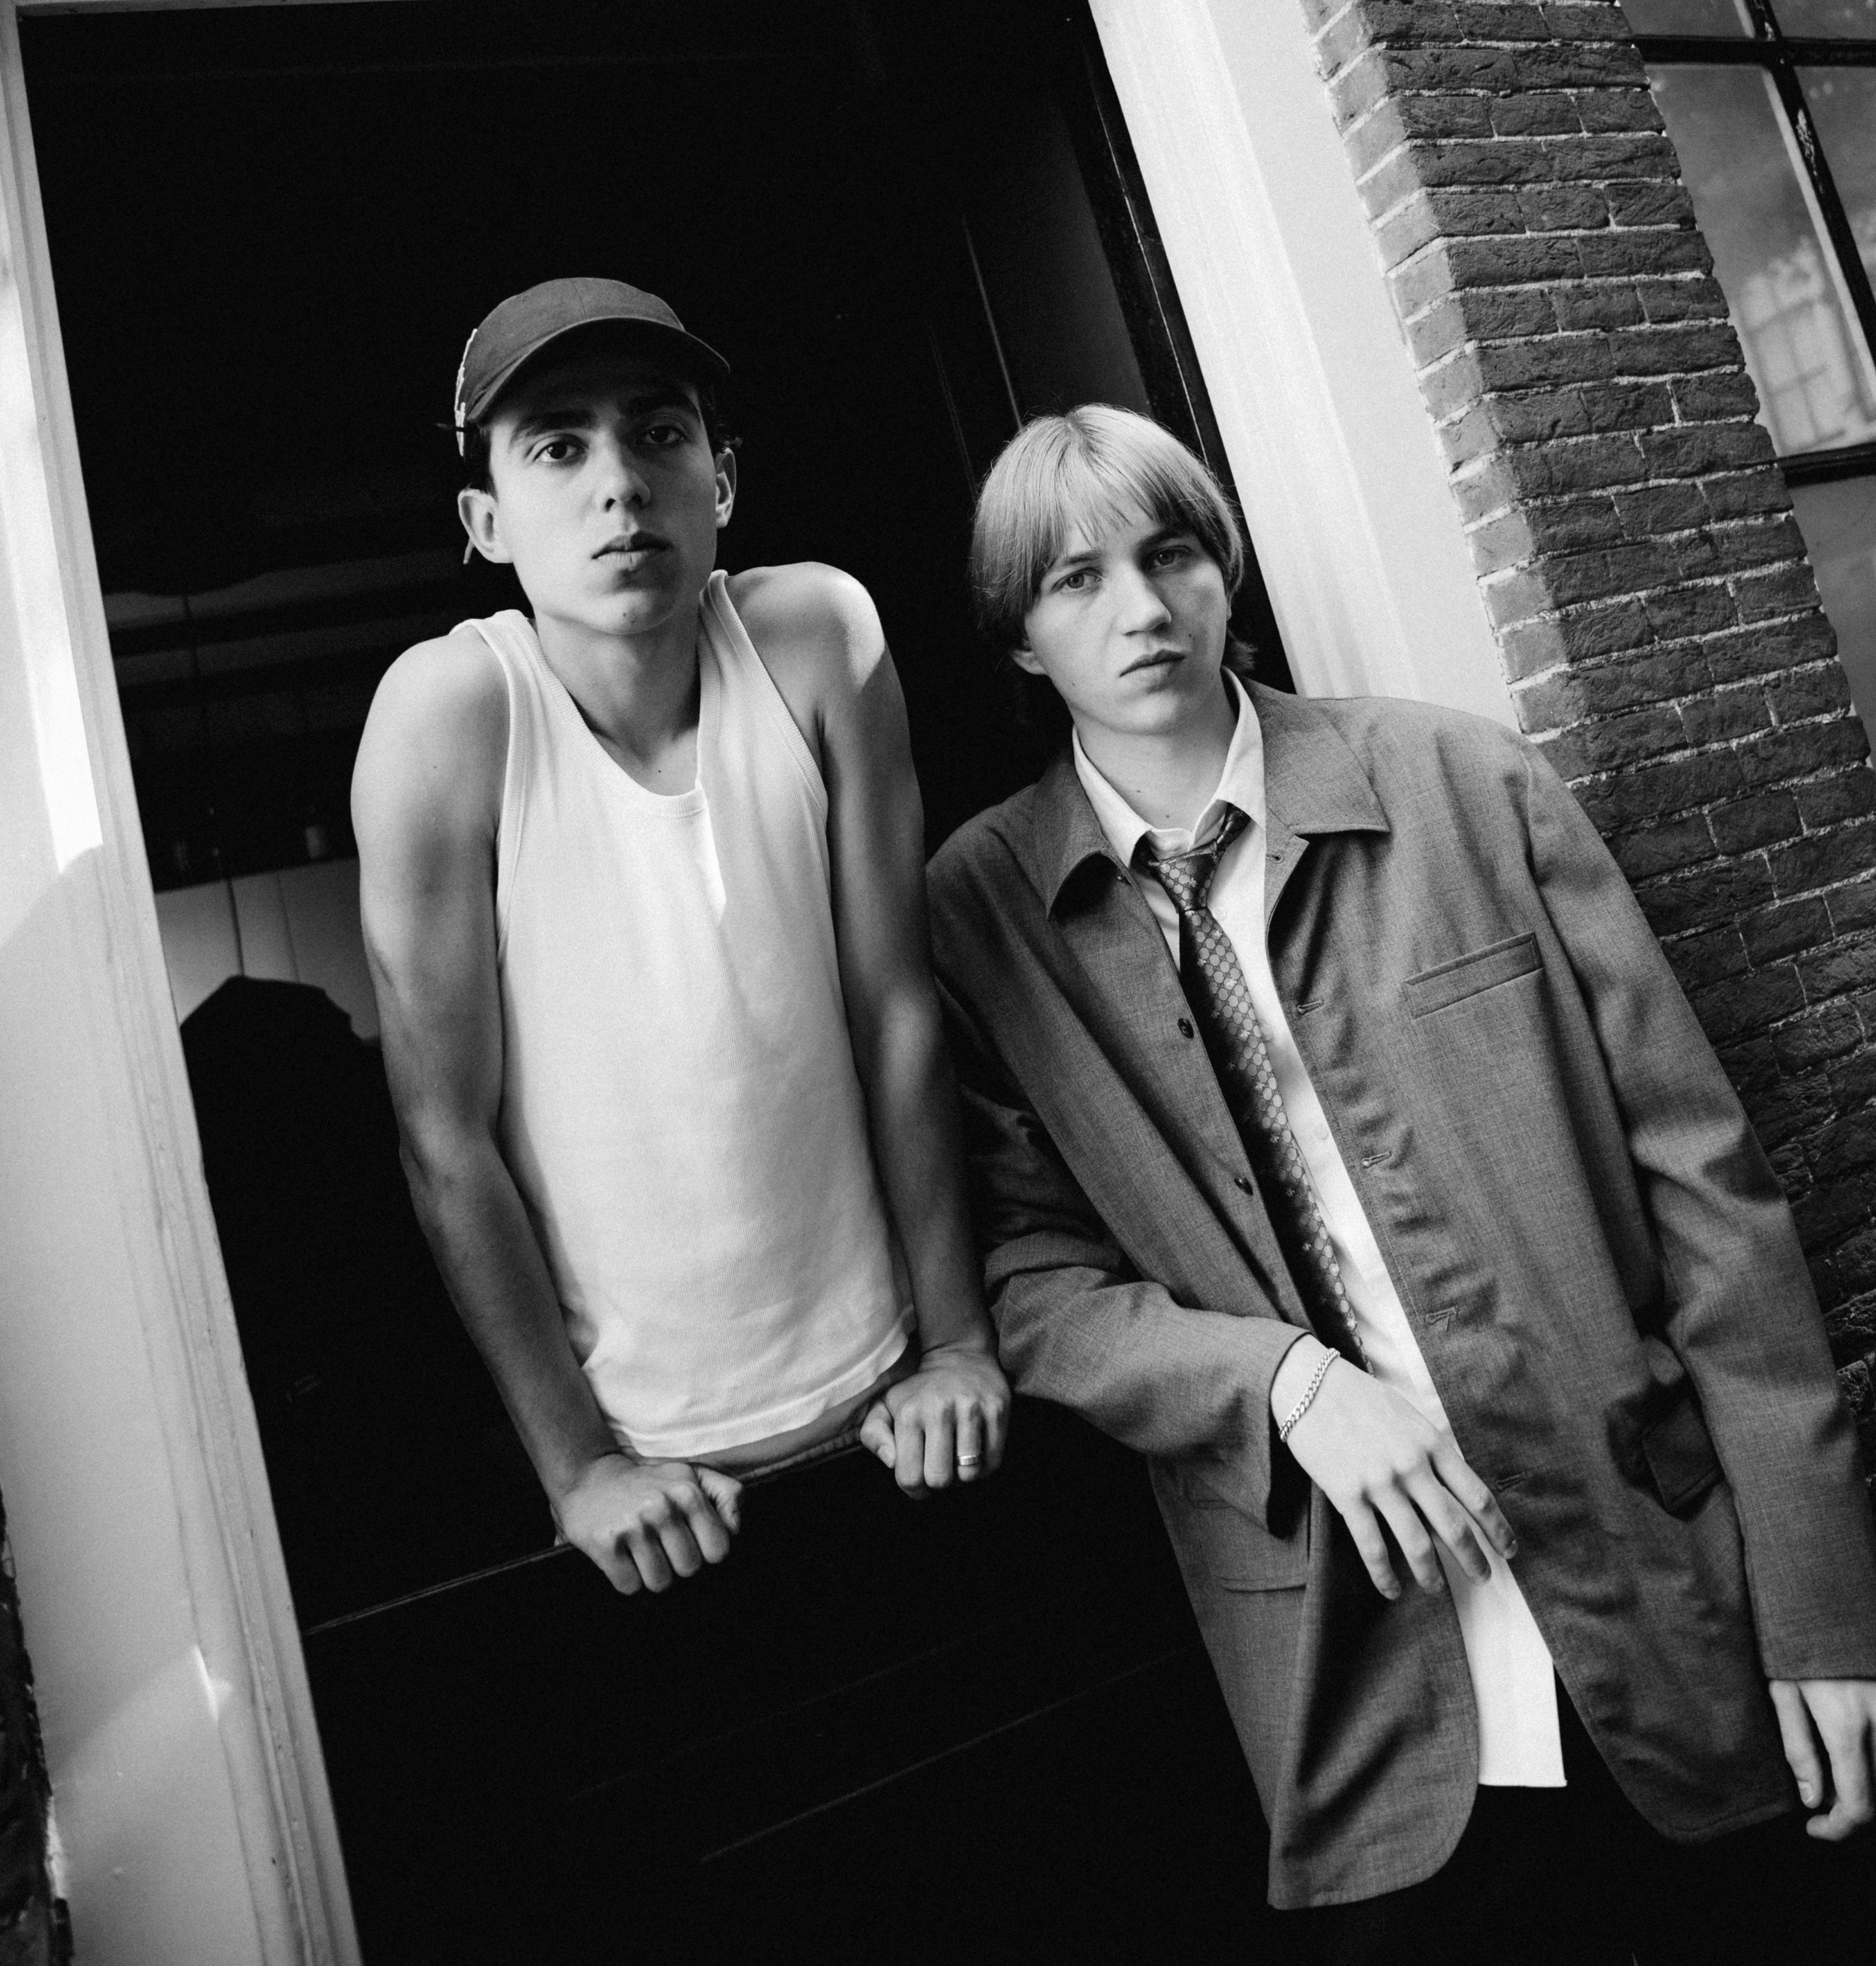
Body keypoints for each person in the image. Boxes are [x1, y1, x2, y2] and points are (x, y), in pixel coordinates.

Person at [925, 403, 1876, 1962]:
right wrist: (1278, 1382)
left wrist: (1829, 1607)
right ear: (1019, 637)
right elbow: (1027, 1278)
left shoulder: (1459, 781)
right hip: (1361, 1677)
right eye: (1075, 580)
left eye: (1172, 554)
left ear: (1224, 568)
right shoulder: (983, 912)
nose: (1143, 609)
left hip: (1665, 1591)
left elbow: (1709, 1194)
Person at [352, 277, 1007, 1600]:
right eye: (558, 446)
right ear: (486, 522)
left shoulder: (814, 637)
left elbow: (896, 1007)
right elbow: (442, 1136)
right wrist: (581, 1468)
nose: (620, 484)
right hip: (656, 1481)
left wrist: (956, 1342)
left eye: (659, 433)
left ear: (724, 480)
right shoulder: (450, 716)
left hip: (906, 1404)